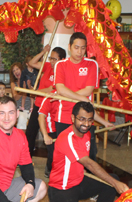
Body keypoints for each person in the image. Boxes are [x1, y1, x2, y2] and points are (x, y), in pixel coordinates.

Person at [47, 102, 129, 202]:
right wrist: (116, 184)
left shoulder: (86, 134)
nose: (86, 124)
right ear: (73, 118)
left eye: (90, 120)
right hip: (61, 188)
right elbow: (89, 164)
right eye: (82, 119)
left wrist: (114, 182)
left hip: (78, 182)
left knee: (110, 181)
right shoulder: (67, 138)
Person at [54, 32, 113, 160]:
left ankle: (87, 178)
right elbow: (60, 89)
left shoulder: (92, 65)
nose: (80, 52)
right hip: (64, 116)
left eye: (83, 48)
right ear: (69, 47)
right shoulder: (60, 65)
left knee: (89, 154)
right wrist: (82, 98)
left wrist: (69, 94)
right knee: (63, 155)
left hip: (86, 117)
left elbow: (88, 90)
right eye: (76, 47)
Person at [25, 46, 66, 156]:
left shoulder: (62, 71)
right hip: (39, 104)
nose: (51, 61)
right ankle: (27, 157)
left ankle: (53, 161)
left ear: (62, 59)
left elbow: (52, 89)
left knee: (50, 135)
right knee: (30, 131)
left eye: (54, 59)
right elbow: (32, 63)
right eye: (50, 58)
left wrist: (37, 91)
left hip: (50, 107)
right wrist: (43, 51)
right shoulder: (47, 66)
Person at [38, 93, 58, 177]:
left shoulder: (71, 95)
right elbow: (41, 117)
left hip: (63, 128)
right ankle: (49, 169)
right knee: (53, 152)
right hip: (51, 130)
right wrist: (45, 135)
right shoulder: (50, 97)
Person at [10, 62, 32, 130]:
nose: (16, 71)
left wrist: (29, 87)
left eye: (17, 69)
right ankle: (22, 139)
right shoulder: (13, 83)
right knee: (22, 118)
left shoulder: (29, 80)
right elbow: (15, 97)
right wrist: (23, 90)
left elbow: (34, 94)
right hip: (20, 109)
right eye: (14, 71)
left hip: (30, 109)